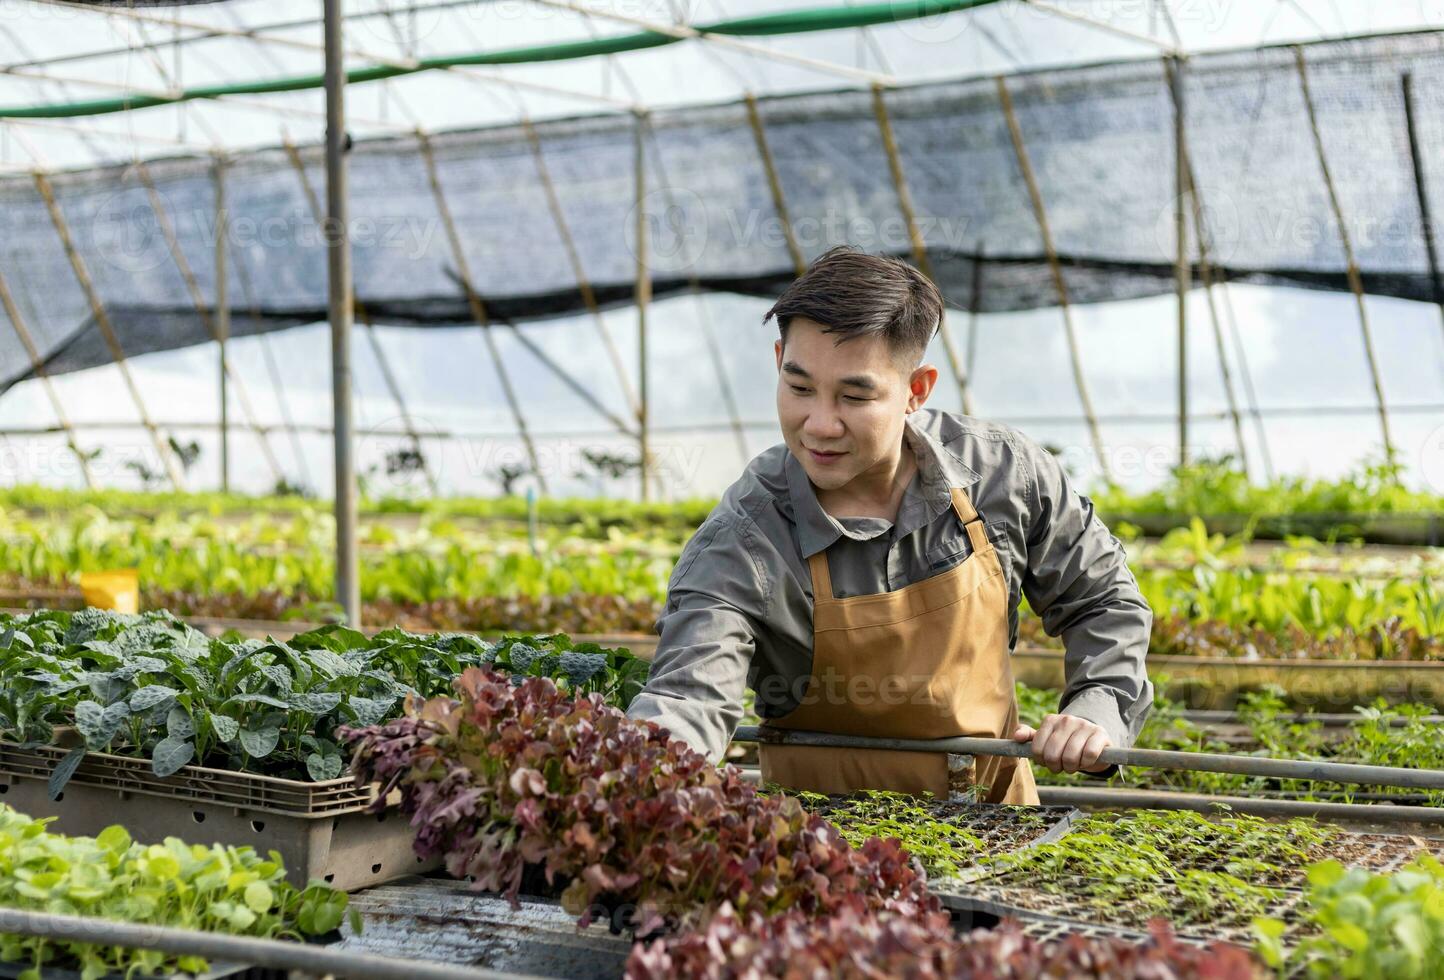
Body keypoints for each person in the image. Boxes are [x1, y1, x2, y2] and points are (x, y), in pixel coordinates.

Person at [626, 246, 1152, 804]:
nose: (820, 424)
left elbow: (1104, 598)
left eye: (855, 396)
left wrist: (1097, 704)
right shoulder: (745, 539)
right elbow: (689, 696)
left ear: (916, 390)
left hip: (997, 836)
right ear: (779, 359)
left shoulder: (1003, 476)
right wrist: (638, 779)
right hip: (816, 858)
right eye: (799, 387)